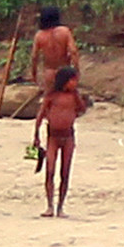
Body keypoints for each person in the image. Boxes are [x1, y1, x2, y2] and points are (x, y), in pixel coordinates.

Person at [32, 66, 86, 218]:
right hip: (53, 137)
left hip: (68, 136)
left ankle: (60, 207)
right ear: (65, 81)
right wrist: (36, 135)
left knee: (65, 172)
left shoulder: (74, 96)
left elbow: (81, 109)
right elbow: (41, 114)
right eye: (73, 80)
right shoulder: (52, 96)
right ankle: (49, 206)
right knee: (50, 171)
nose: (75, 83)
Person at [29, 6, 79, 95]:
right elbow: (73, 52)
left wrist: (34, 74)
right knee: (68, 98)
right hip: (64, 71)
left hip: (49, 72)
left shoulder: (39, 35)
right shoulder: (65, 31)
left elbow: (34, 57)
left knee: (50, 99)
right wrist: (76, 70)